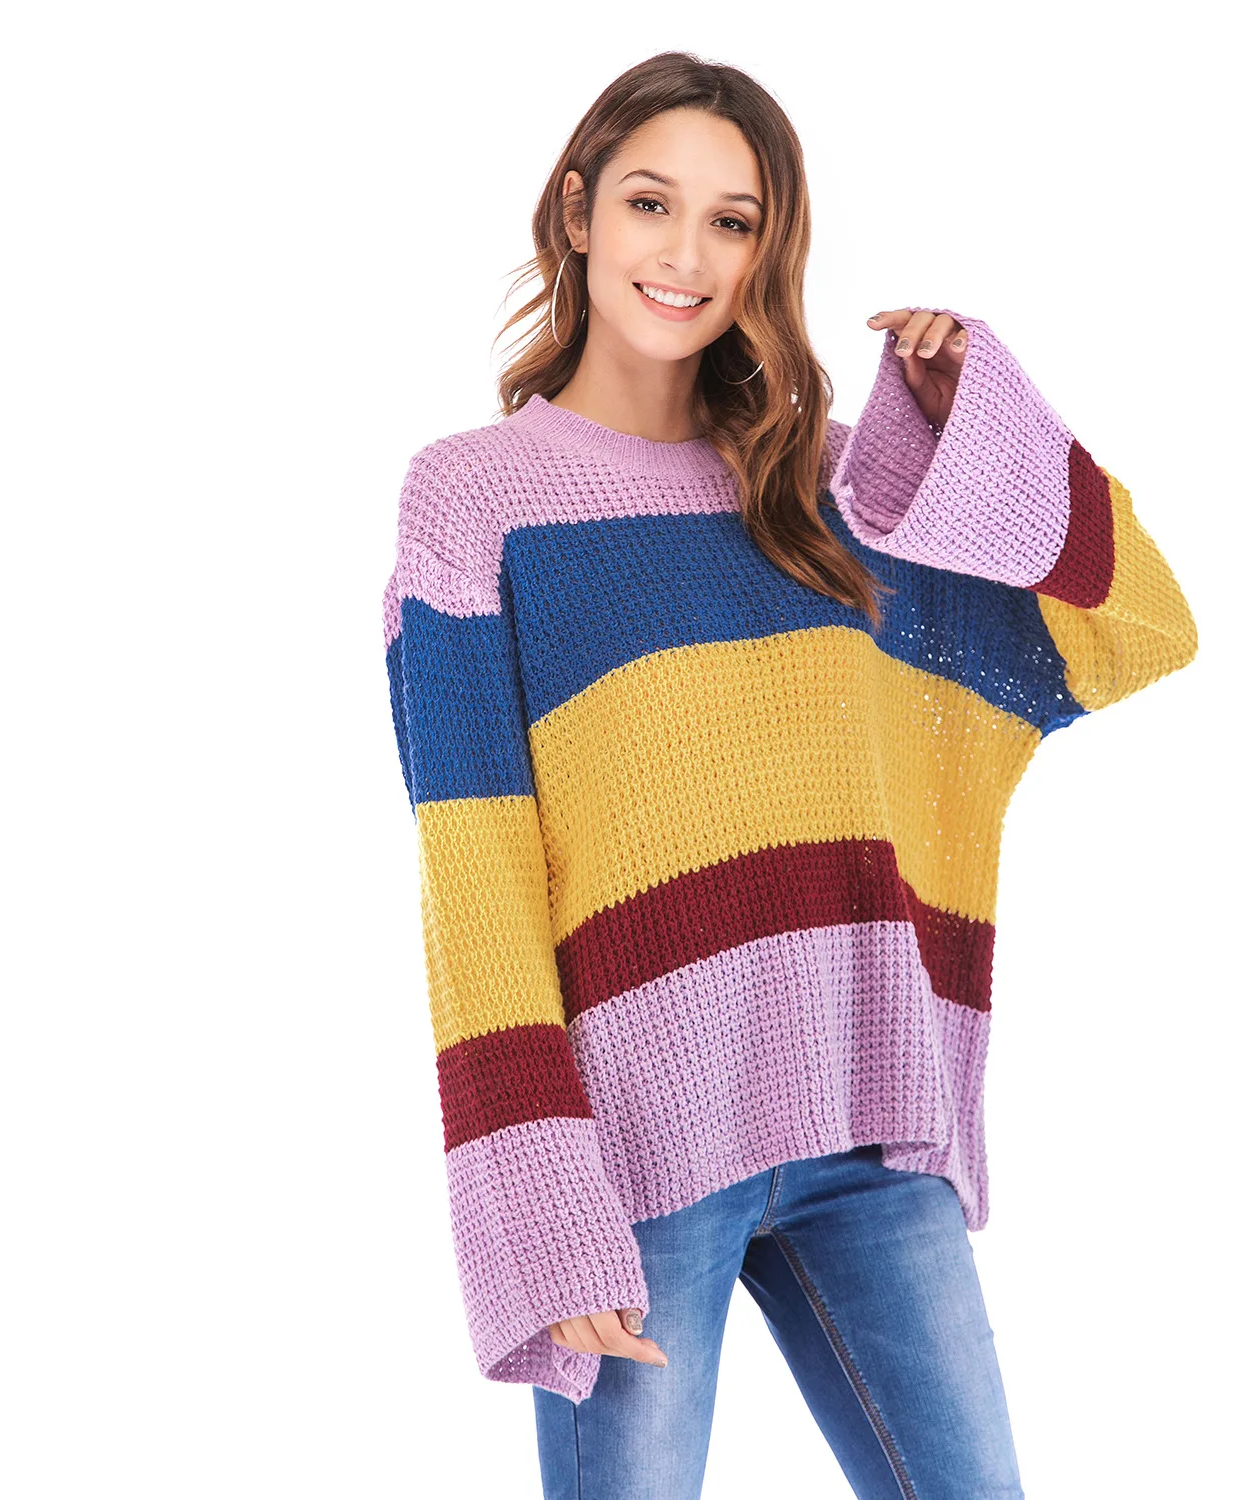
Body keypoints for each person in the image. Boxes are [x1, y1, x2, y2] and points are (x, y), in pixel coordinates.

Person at [381, 50, 1198, 1500]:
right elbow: (475, 874)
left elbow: (1138, 627)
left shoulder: (841, 491)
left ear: (770, 251)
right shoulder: (476, 502)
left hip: (863, 1120)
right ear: (577, 212)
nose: (686, 255)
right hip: (635, 1157)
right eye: (651, 203)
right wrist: (538, 1198)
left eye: (734, 221)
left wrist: (982, 428)